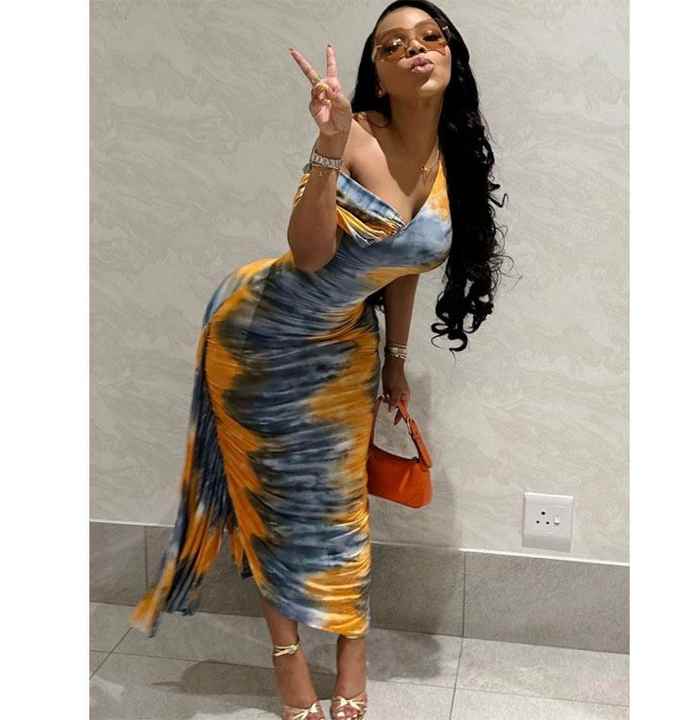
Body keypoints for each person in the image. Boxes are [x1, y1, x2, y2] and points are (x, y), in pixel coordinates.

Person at [129, 2, 508, 718]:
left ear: (451, 56)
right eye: (393, 44)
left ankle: (351, 654)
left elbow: (403, 266)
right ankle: (288, 662)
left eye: (430, 36)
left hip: (344, 343)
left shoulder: (452, 159)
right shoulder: (356, 133)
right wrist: (329, 144)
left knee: (340, 508)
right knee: (276, 505)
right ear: (379, 72)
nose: (416, 48)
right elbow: (309, 254)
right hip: (259, 334)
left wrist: (396, 360)